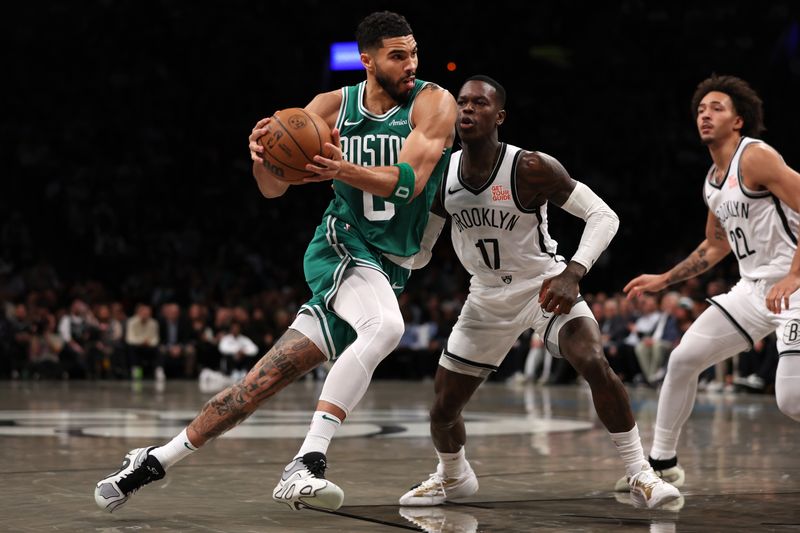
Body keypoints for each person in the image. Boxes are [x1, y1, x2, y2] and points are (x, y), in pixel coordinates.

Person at [94, 10, 456, 513]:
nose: (411, 63)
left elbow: (410, 181)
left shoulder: (435, 102)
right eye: (399, 55)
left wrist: (340, 167)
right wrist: (264, 159)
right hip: (342, 244)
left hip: (389, 267)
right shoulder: (332, 105)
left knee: (256, 386)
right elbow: (273, 189)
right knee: (386, 329)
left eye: (414, 52)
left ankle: (153, 460)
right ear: (367, 60)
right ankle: (306, 463)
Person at [397, 76, 680, 510]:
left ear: (500, 116)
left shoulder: (530, 166)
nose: (468, 110)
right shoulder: (440, 174)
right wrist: (384, 241)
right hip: (485, 299)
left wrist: (573, 273)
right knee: (442, 410)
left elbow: (604, 216)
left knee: (594, 362)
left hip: (543, 287)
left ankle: (640, 471)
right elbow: (420, 254)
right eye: (462, 103)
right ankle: (453, 477)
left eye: (479, 103)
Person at [615, 74, 800, 492]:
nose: (705, 115)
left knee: (791, 401)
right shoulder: (712, 181)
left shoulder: (756, 157)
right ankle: (661, 463)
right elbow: (715, 247)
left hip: (795, 286)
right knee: (682, 360)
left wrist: (793, 273)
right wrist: (664, 279)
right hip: (754, 290)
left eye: (717, 108)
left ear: (738, 120)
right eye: (700, 109)